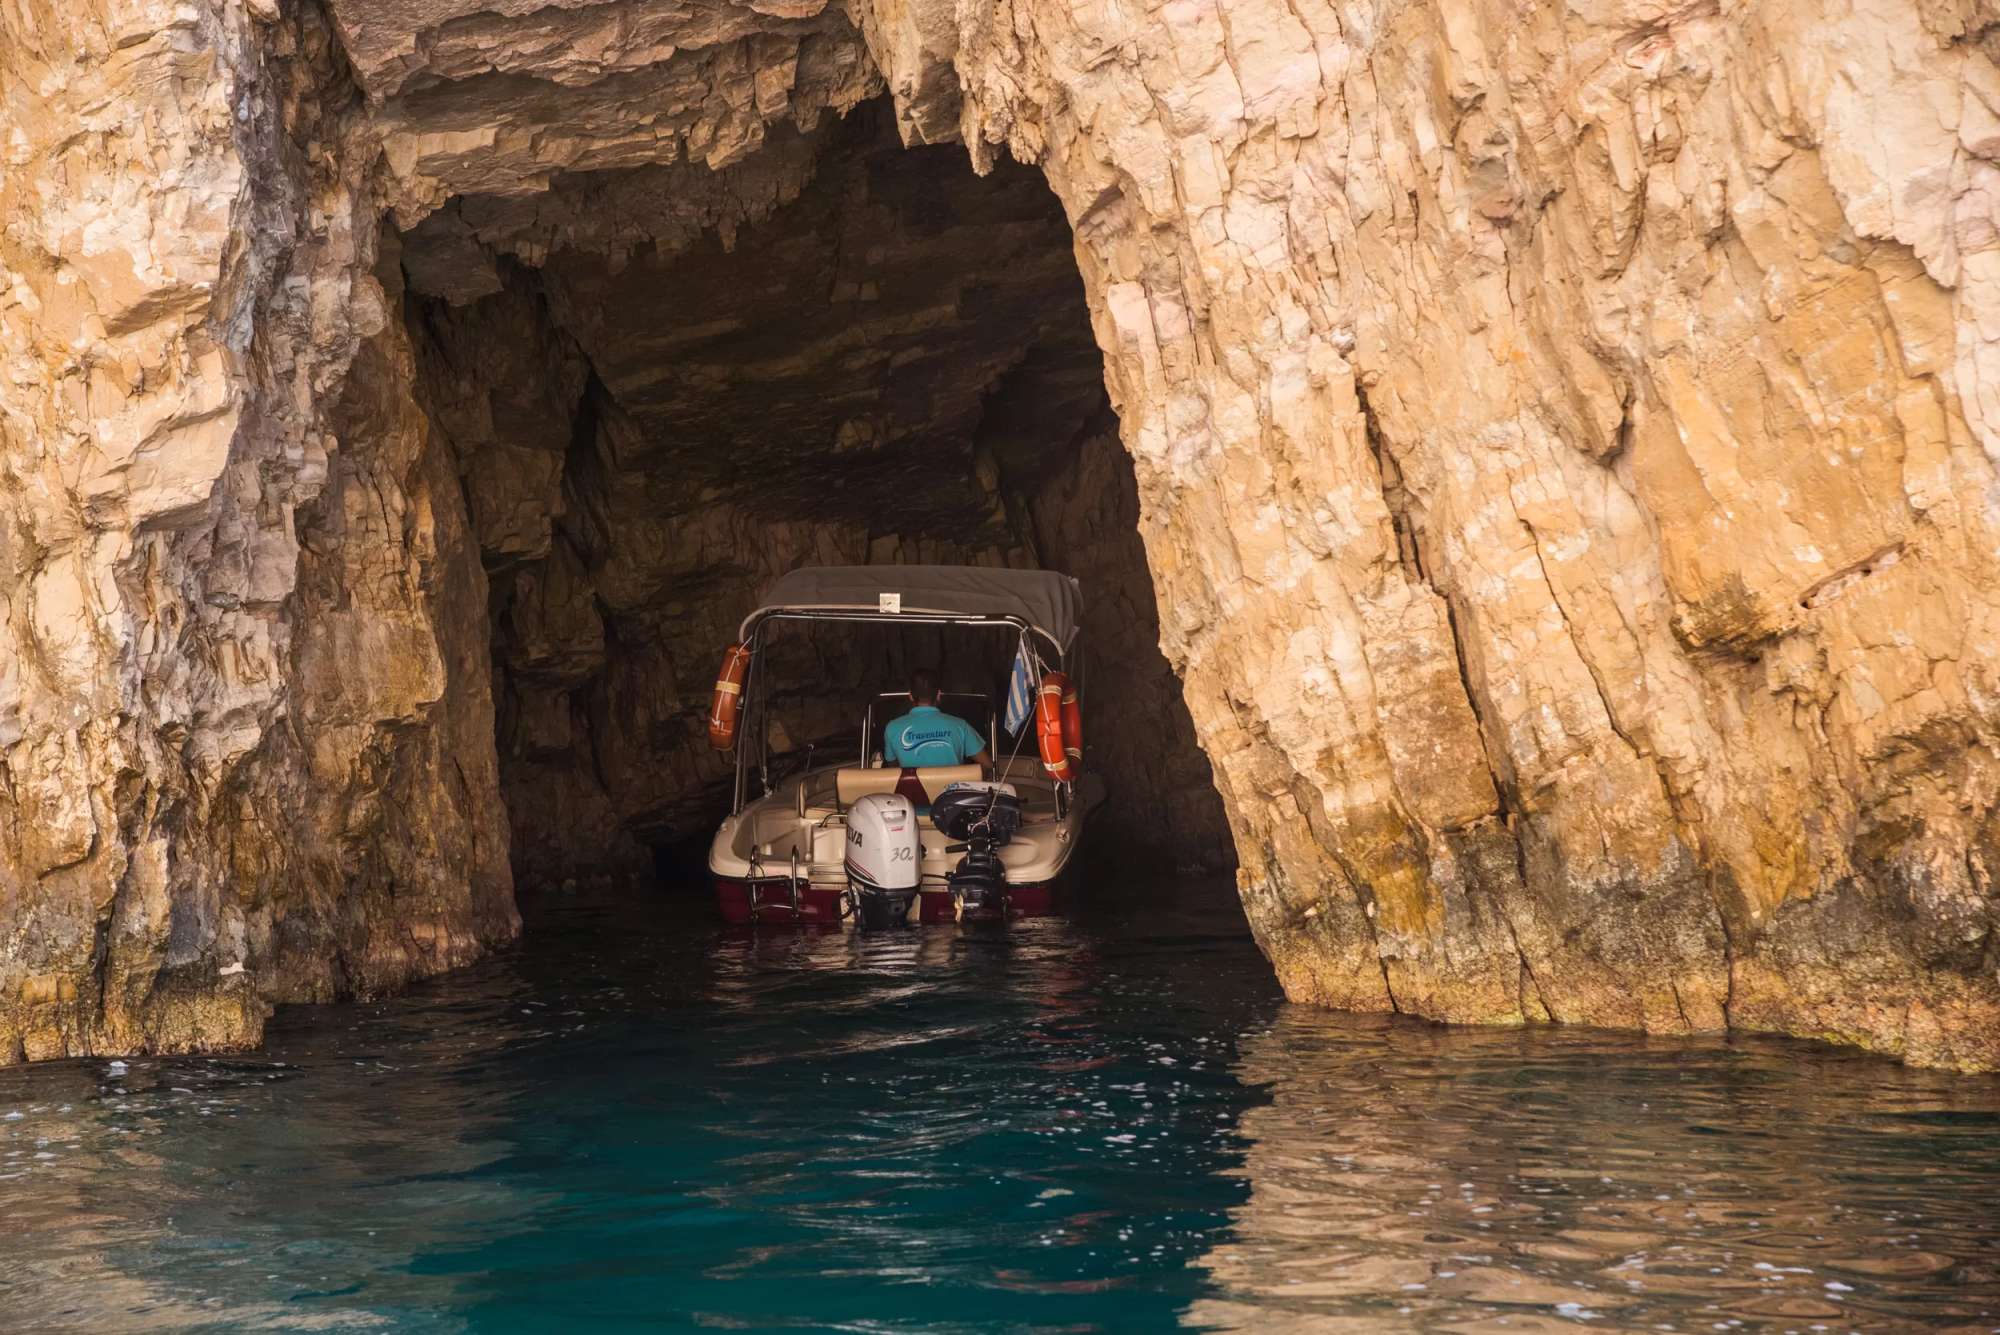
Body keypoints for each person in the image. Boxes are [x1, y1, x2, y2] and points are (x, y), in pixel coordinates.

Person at [883, 668, 991, 770]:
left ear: (910, 695)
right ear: (939, 695)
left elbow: (894, 770)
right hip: (952, 789)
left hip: (909, 790)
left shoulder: (892, 728)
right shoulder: (960, 725)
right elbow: (987, 765)